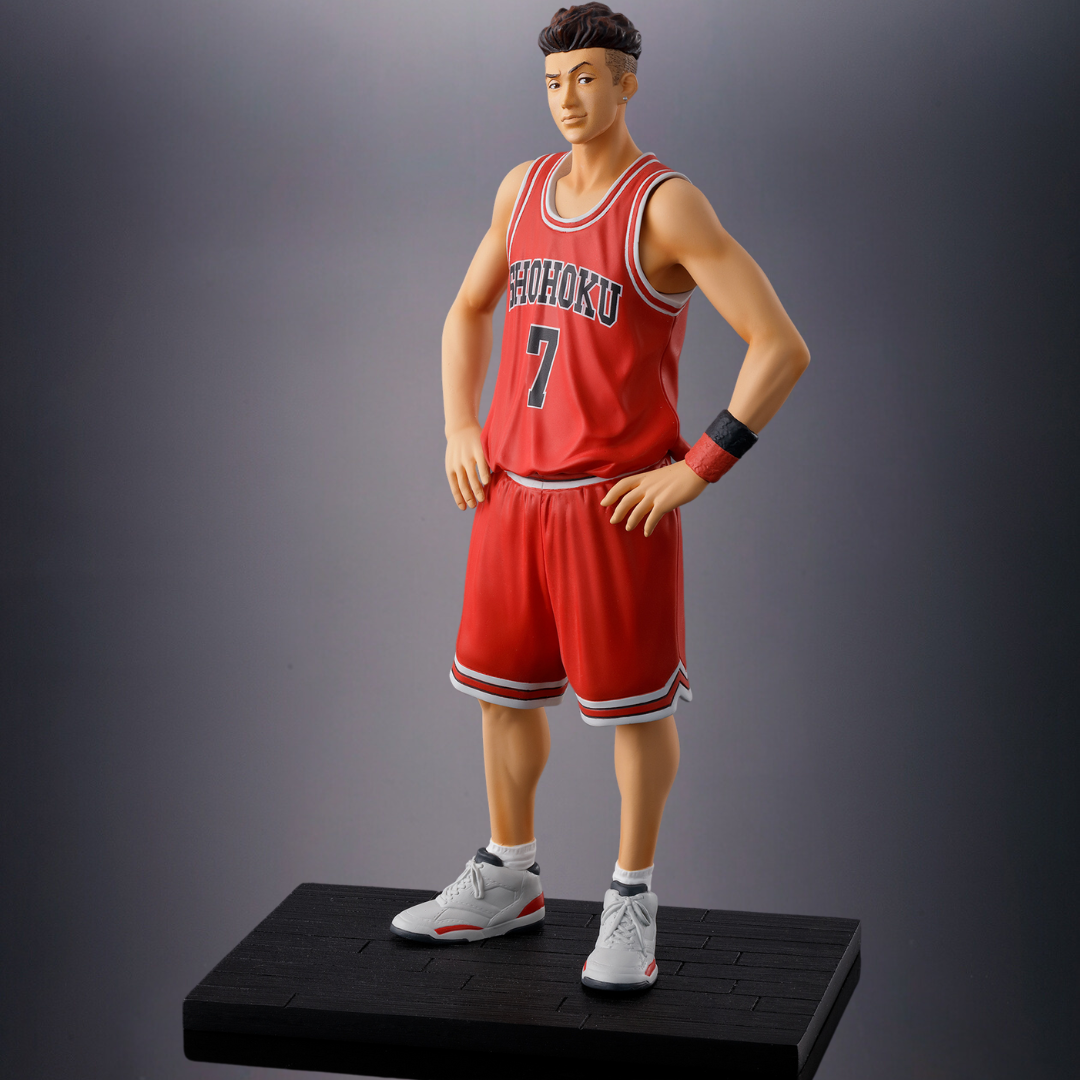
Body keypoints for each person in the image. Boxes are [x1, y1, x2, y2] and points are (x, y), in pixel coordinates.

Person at [390, 2, 809, 992]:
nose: (568, 98)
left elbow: (780, 345)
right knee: (499, 696)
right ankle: (509, 875)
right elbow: (468, 307)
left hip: (610, 502)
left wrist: (697, 465)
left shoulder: (664, 204)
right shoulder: (521, 188)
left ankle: (631, 898)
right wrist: (458, 427)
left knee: (633, 711)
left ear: (627, 83)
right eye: (553, 81)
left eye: (586, 77)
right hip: (510, 493)